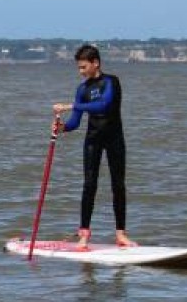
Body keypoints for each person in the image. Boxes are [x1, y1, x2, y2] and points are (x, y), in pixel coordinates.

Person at [52, 44, 137, 250]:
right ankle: (84, 236)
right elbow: (75, 122)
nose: (80, 72)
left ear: (95, 63)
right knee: (89, 185)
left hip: (114, 138)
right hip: (93, 140)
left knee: (118, 184)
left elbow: (104, 106)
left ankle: (121, 235)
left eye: (83, 67)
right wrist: (62, 127)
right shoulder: (82, 90)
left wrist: (71, 105)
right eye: (79, 68)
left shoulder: (111, 82)